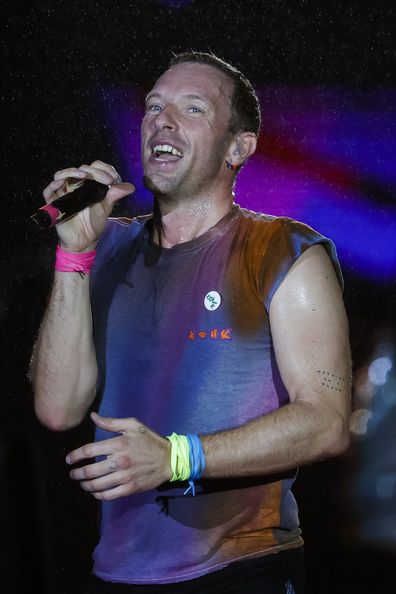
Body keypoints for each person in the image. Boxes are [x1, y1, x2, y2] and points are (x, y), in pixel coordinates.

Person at [30, 51, 351, 594]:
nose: (162, 119)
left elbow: (327, 422)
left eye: (192, 108)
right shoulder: (104, 249)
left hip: (241, 567)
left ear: (237, 147)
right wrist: (72, 256)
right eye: (153, 106)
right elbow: (57, 409)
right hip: (116, 573)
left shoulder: (282, 252)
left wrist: (179, 458)